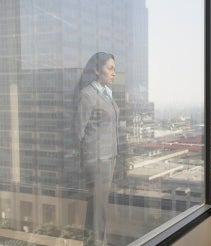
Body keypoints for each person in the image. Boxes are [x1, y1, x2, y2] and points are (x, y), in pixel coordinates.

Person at [73, 52, 119, 245]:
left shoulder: (107, 94)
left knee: (99, 209)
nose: (113, 73)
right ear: (97, 70)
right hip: (98, 161)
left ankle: (98, 243)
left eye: (114, 69)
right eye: (110, 69)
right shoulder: (88, 95)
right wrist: (88, 157)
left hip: (109, 158)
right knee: (97, 210)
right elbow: (78, 130)